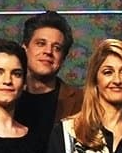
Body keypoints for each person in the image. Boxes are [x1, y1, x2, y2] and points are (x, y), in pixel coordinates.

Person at [16, 10, 84, 139]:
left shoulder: (82, 102)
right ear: (25, 49)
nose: (48, 51)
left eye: (57, 48)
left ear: (63, 58)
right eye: (41, 44)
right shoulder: (7, 94)